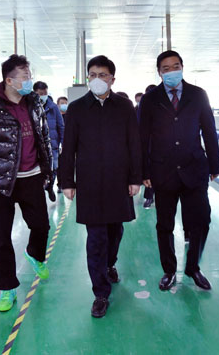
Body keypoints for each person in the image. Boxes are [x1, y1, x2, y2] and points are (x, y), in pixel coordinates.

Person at [0, 54, 53, 313]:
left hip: (32, 176)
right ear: (9, 80)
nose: (29, 81)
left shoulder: (34, 103)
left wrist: (49, 170)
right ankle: (7, 288)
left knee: (41, 225)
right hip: (1, 182)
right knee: (2, 238)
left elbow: (44, 137)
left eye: (30, 76)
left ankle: (34, 254)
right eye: (25, 77)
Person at [59, 55, 141, 318]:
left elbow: (134, 143)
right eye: (92, 75)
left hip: (119, 181)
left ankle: (109, 264)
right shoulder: (77, 108)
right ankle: (100, 293)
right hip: (90, 182)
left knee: (115, 231)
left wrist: (135, 178)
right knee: (96, 238)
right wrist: (67, 181)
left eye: (102, 75)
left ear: (112, 79)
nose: (97, 79)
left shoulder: (125, 107)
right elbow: (68, 147)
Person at [139, 50, 219, 292]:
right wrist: (144, 170)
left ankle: (193, 267)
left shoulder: (198, 95)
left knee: (201, 221)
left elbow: (209, 130)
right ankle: (169, 270)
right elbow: (142, 137)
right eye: (166, 69)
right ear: (159, 72)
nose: (171, 71)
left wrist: (214, 165)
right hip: (163, 171)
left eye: (175, 66)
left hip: (194, 168)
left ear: (182, 67)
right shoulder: (150, 99)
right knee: (165, 225)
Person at [33, 81, 64, 202]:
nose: (43, 96)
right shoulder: (30, 106)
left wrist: (63, 143)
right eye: (40, 93)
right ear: (34, 93)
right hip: (36, 146)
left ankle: (50, 186)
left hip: (53, 144)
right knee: (38, 170)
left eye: (45, 93)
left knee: (54, 167)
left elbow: (61, 126)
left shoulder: (53, 107)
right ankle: (39, 189)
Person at [137, 85, 157, 209]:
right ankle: (149, 197)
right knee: (150, 173)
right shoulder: (141, 109)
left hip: (161, 148)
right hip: (148, 146)